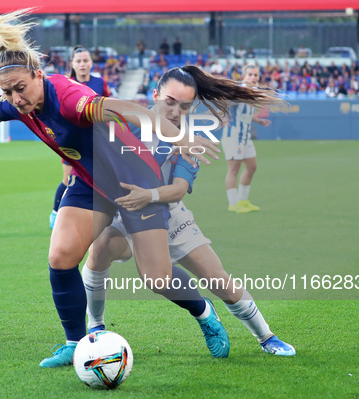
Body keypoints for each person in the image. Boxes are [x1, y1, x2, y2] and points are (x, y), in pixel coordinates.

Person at [0, 9, 276, 369]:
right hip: (91, 185)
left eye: (21, 89)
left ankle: (203, 313)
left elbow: (118, 109)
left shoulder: (69, 98)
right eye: (8, 93)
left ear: (39, 74)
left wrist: (171, 133)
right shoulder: (16, 102)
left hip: (134, 182)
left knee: (157, 278)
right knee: (61, 255)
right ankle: (77, 343)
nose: (15, 100)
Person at [83, 67, 295, 356]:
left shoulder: (189, 141)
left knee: (218, 280)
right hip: (127, 214)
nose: (175, 111)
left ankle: (267, 337)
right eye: (169, 101)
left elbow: (179, 188)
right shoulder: (127, 122)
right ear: (155, 95)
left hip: (170, 217)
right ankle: (95, 328)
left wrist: (150, 194)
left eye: (184, 106)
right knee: (99, 249)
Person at [49, 46, 112, 229]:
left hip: (97, 140)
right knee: (68, 179)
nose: (82, 64)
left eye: (85, 60)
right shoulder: (65, 84)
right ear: (72, 64)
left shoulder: (100, 83)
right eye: (78, 61)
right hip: (72, 140)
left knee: (99, 178)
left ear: (91, 63)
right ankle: (55, 213)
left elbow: (107, 107)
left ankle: (99, 216)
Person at [221, 64, 271, 213]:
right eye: (250, 74)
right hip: (233, 136)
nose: (253, 77)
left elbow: (246, 113)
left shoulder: (253, 92)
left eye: (255, 75)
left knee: (252, 167)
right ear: (244, 76)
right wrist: (223, 116)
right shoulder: (239, 91)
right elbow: (225, 102)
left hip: (245, 137)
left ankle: (243, 200)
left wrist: (259, 120)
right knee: (234, 169)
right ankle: (233, 203)